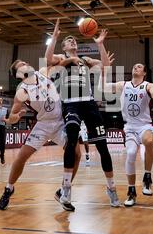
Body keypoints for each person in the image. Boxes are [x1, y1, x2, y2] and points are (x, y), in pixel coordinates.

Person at [45, 19, 121, 208]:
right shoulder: (60, 58)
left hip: (89, 103)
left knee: (103, 146)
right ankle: (66, 188)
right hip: (71, 104)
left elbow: (105, 65)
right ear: (63, 46)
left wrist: (100, 44)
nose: (72, 41)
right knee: (72, 141)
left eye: (74, 40)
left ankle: (111, 188)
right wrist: (54, 38)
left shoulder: (86, 60)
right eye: (68, 40)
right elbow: (48, 59)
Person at [0, 60, 81, 211]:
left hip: (60, 122)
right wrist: (15, 117)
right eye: (22, 64)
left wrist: (72, 59)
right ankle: (9, 188)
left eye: (25, 62)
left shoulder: (43, 72)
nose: (26, 63)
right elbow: (12, 117)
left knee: (76, 154)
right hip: (42, 125)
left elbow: (61, 64)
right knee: (21, 157)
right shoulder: (22, 92)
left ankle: (63, 191)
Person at [101, 62, 153, 207]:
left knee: (149, 141)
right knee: (130, 154)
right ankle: (131, 191)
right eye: (134, 66)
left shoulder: (148, 85)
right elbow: (103, 88)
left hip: (144, 125)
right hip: (129, 127)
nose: (136, 67)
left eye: (140, 67)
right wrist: (104, 70)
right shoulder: (123, 85)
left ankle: (147, 177)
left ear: (144, 74)